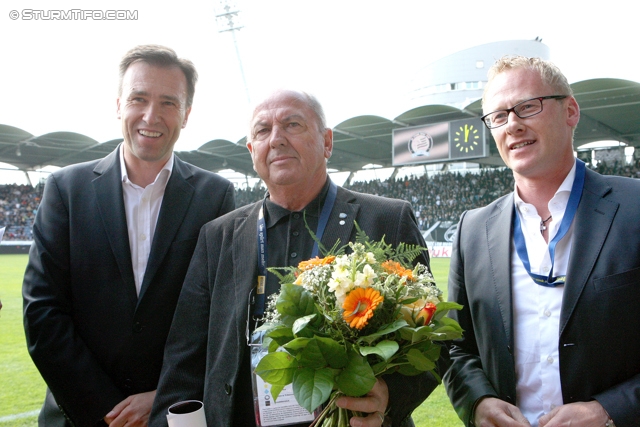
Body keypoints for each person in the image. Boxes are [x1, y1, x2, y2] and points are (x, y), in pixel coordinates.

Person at [150, 89, 444, 427]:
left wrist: (388, 397)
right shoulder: (217, 236)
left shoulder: (386, 220)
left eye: (292, 124)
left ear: (327, 142)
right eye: (262, 131)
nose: (276, 139)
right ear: (252, 151)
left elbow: (435, 343)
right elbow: (184, 357)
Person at [23, 44, 235, 427]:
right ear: (119, 104)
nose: (151, 116)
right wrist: (107, 411)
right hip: (78, 416)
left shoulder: (215, 196)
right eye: (139, 98)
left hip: (173, 414)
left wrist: (161, 399)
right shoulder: (64, 189)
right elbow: (42, 313)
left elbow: (221, 318)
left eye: (168, 103)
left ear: (186, 115)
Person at [444, 55, 640, 427]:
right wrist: (478, 401)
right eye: (499, 117)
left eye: (527, 107)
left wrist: (611, 411)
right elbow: (455, 345)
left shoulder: (635, 208)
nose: (513, 124)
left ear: (570, 111)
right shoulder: (472, 229)